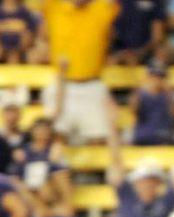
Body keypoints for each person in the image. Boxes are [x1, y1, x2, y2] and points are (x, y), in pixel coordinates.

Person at [43, 0, 118, 143]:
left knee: (99, 140)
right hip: (62, 84)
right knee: (54, 137)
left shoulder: (101, 8)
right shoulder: (55, 7)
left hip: (92, 84)